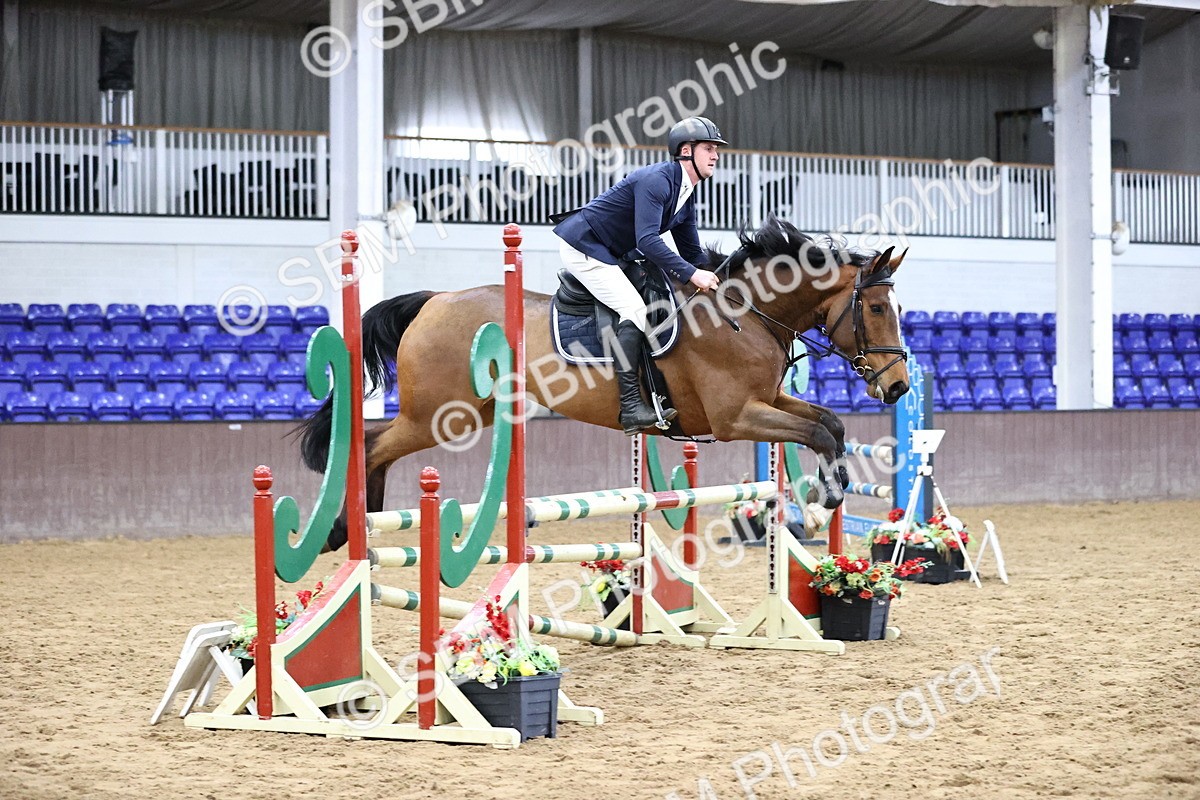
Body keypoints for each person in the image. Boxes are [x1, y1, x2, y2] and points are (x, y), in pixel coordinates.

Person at [552, 116, 727, 435]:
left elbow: (693, 253)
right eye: (708, 148)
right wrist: (691, 275)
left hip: (614, 251)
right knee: (633, 309)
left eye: (716, 148)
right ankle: (631, 406)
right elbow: (647, 239)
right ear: (685, 151)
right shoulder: (658, 181)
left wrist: (720, 278)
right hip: (586, 245)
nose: (715, 154)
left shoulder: (686, 194)